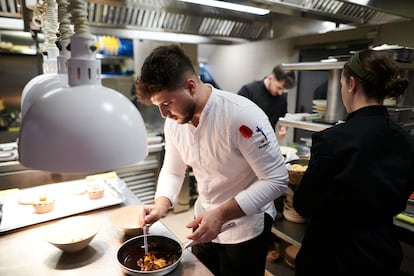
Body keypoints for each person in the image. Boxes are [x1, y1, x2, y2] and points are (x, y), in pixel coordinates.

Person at [135, 44, 288, 276]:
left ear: (190, 86)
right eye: (158, 106)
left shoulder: (240, 115)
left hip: (244, 230)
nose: (163, 114)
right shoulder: (174, 122)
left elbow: (276, 179)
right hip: (203, 221)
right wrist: (161, 204)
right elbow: (174, 170)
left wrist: (221, 214)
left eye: (166, 103)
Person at [293, 49, 414, 276]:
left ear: (351, 83)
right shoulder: (406, 141)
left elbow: (304, 205)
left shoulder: (333, 140)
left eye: (340, 85)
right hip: (381, 256)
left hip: (331, 259)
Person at [237, 65, 296, 140]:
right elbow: (235, 118)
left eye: (284, 90)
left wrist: (283, 127)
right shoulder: (248, 91)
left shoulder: (282, 96)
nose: (280, 93)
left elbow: (283, 117)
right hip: (246, 142)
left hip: (269, 142)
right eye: (279, 88)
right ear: (271, 78)